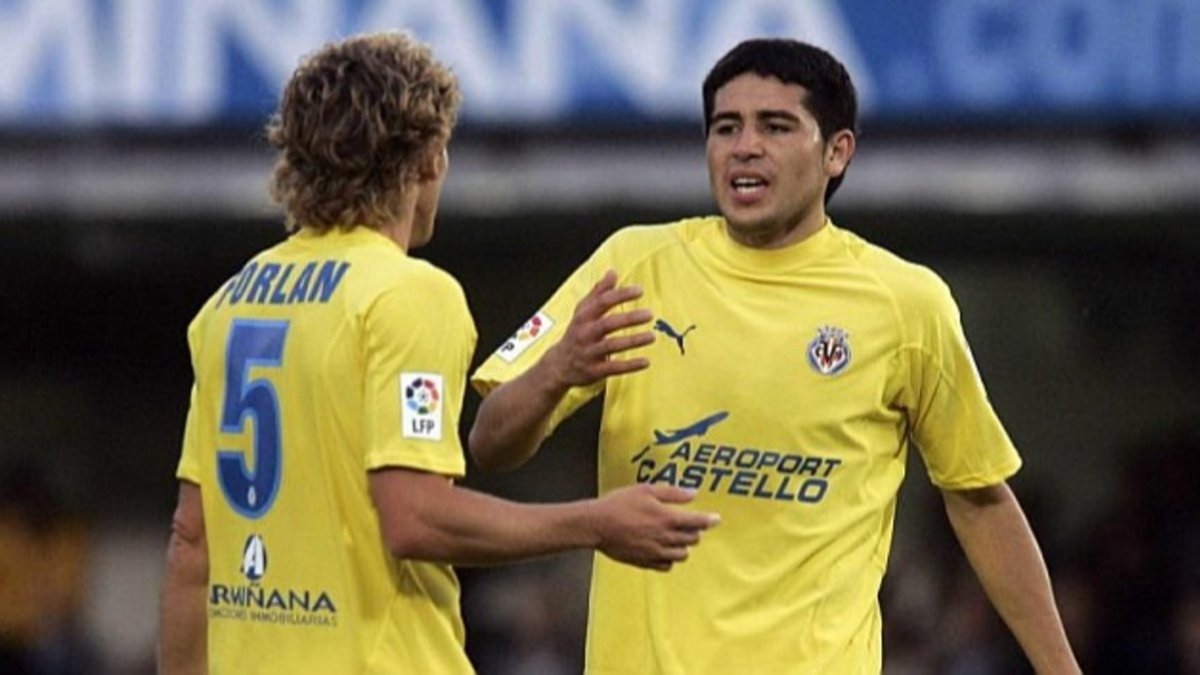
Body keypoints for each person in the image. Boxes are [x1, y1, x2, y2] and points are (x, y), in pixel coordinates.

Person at [469, 38, 1081, 673]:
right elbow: (492, 443)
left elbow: (979, 498)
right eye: (725, 127)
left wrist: (1060, 668)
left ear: (837, 152)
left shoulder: (905, 304)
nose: (745, 146)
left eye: (776, 126)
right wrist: (555, 372)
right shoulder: (633, 267)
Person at [156, 32, 718, 675]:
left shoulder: (232, 303)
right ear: (426, 159)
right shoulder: (409, 295)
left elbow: (191, 540)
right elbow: (414, 518)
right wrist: (596, 522)